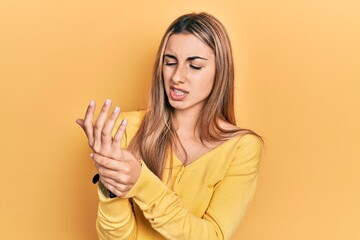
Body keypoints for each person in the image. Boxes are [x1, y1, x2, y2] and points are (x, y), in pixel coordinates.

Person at [76, 12, 262, 240]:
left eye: (194, 66)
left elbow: (211, 236)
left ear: (220, 72)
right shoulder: (124, 129)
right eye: (170, 62)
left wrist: (140, 182)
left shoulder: (242, 148)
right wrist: (110, 184)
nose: (177, 77)